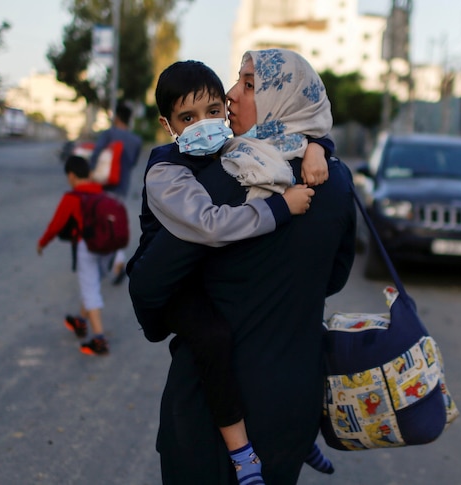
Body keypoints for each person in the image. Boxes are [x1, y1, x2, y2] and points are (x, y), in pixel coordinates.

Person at [129, 49, 357, 484]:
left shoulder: (225, 178)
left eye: (249, 86)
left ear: (280, 100)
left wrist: (165, 321)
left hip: (214, 412)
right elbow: (334, 277)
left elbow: (148, 282)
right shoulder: (335, 178)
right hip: (294, 404)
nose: (232, 95)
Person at [37, 155, 114, 356]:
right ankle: (80, 320)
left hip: (87, 247)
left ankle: (100, 339)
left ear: (71, 176)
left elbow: (55, 226)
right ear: (88, 173)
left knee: (90, 290)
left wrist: (42, 243)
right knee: (92, 284)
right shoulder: (101, 192)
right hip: (108, 247)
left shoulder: (72, 197)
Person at [88, 103, 143, 285]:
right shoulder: (136, 140)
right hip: (122, 186)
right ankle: (118, 262)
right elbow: (133, 162)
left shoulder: (109, 134)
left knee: (99, 223)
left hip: (103, 186)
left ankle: (99, 264)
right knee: (114, 222)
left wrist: (90, 174)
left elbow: (95, 155)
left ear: (117, 117)